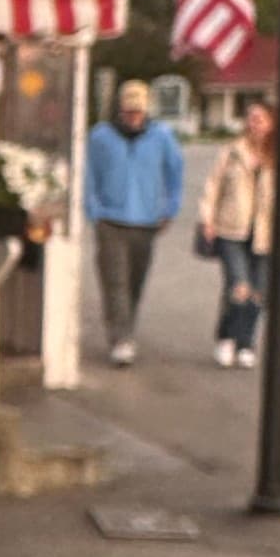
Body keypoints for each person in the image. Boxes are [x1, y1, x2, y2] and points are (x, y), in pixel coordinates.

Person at [83, 78, 183, 366]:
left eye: (138, 112)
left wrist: (170, 208)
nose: (133, 117)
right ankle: (120, 338)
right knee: (114, 281)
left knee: (134, 282)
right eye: (128, 111)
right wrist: (94, 210)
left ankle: (126, 329)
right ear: (120, 110)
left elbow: (174, 173)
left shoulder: (162, 137)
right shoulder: (101, 136)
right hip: (111, 220)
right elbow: (88, 173)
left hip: (147, 221)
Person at [198, 100, 275, 368]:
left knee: (259, 292)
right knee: (238, 286)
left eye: (260, 119)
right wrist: (208, 220)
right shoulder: (232, 152)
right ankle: (226, 338)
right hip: (231, 229)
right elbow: (213, 186)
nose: (255, 124)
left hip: (264, 233)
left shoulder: (277, 156)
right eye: (251, 118)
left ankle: (246, 342)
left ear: (271, 123)